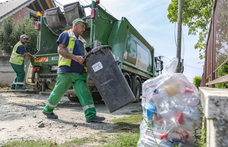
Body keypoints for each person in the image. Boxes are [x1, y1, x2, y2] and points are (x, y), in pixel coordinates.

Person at [43, 18, 105, 123]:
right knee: (59, 92)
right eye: (82, 26)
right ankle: (47, 110)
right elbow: (61, 50)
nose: (84, 29)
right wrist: (76, 58)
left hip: (80, 72)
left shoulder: (81, 40)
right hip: (66, 70)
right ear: (75, 25)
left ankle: (91, 116)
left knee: (85, 93)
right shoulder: (65, 35)